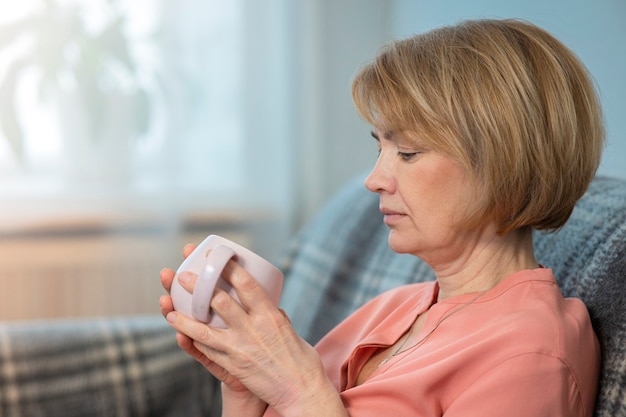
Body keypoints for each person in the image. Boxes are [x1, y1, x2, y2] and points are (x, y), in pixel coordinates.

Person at [159, 18, 604, 417]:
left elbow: (303, 399)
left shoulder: (530, 358)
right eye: (380, 148)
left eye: (407, 152)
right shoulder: (394, 308)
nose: (374, 180)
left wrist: (299, 393)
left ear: (506, 165)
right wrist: (245, 392)